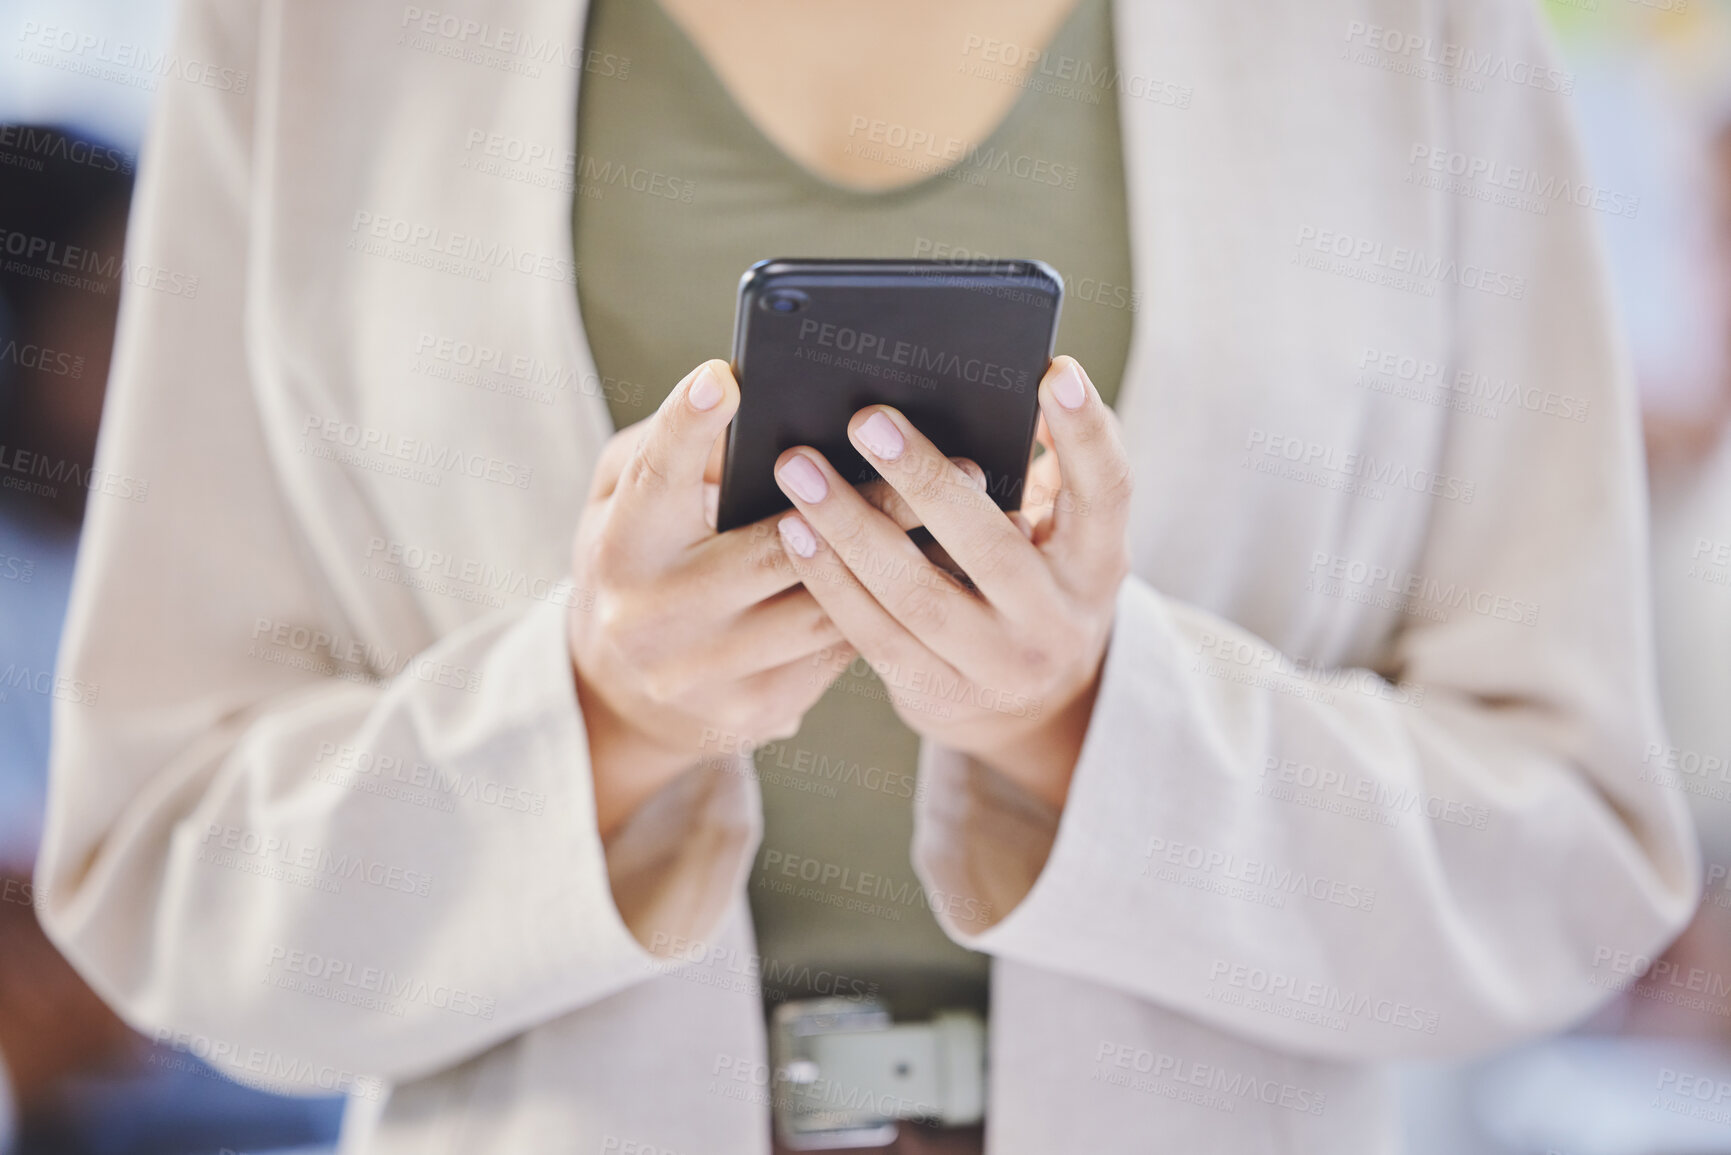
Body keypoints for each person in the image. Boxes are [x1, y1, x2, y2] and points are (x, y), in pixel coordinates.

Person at [34, 0, 1698, 1151]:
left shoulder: (1404, 33)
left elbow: (1574, 852)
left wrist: (1099, 731)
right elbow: (158, 875)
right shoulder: (308, 37)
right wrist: (590, 721)